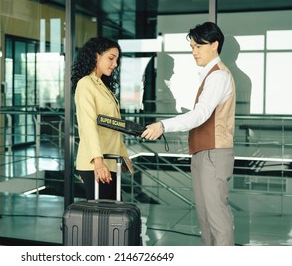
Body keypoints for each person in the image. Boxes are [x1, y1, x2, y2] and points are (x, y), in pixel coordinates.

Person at [141, 22, 236, 246]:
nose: (194, 52)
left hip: (213, 154)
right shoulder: (210, 75)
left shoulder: (218, 76)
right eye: (192, 47)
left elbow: (201, 114)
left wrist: (163, 125)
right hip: (204, 154)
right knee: (205, 221)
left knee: (217, 221)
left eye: (198, 47)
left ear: (214, 45)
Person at [71, 37, 133, 200]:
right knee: (100, 219)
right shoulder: (86, 84)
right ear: (95, 56)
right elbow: (88, 125)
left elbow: (113, 126)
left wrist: (123, 155)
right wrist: (98, 161)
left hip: (110, 161)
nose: (115, 64)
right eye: (111, 58)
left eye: (117, 60)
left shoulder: (101, 86)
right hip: (96, 164)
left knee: (110, 218)